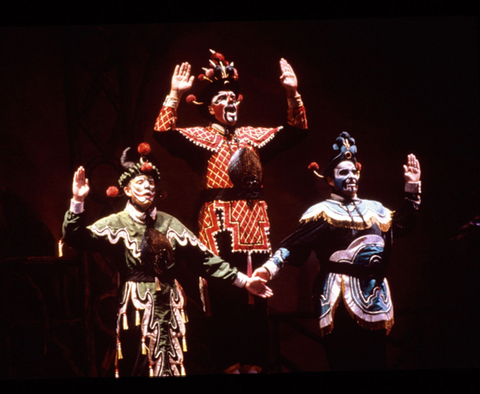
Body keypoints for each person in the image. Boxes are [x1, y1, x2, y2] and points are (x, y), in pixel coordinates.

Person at [153, 50, 308, 373]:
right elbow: (163, 134)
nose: (231, 102)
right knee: (222, 300)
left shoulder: (253, 138)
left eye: (233, 97)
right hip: (218, 226)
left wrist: (292, 92)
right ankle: (228, 365)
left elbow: (295, 131)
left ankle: (255, 365)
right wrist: (174, 95)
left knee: (257, 298)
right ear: (211, 108)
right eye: (222, 98)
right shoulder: (201, 139)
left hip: (255, 224)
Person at [62, 142, 272, 377]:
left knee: (174, 364)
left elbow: (205, 260)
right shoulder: (117, 223)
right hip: (137, 304)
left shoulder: (169, 223)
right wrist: (78, 201)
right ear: (128, 190)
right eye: (140, 183)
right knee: (139, 363)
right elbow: (76, 237)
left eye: (151, 183)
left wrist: (244, 281)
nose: (148, 187)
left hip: (171, 304)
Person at [254, 131, 421, 371]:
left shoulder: (375, 209)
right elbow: (293, 245)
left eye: (354, 171)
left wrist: (412, 187)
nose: (351, 176)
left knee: (376, 360)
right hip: (339, 294)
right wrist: (268, 270)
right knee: (344, 359)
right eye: (344, 172)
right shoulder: (322, 212)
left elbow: (402, 225)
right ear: (330, 180)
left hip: (374, 292)